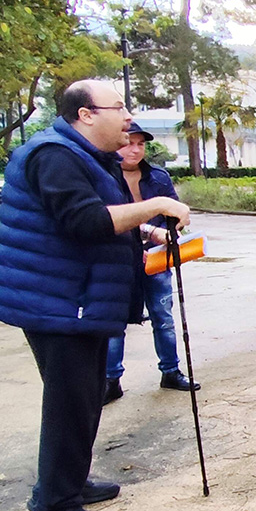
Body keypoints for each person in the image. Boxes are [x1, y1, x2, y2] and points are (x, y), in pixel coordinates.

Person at [0, 80, 191, 511]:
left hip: (75, 299)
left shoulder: (81, 156)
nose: (128, 117)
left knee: (83, 398)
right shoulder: (54, 155)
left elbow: (99, 215)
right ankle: (53, 510)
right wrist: (160, 203)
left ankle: (68, 482)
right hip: (60, 301)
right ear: (86, 114)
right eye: (119, 106)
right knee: (70, 402)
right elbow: (85, 221)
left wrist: (145, 232)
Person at [103, 122, 200, 405]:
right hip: (120, 258)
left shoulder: (157, 177)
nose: (134, 149)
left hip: (157, 258)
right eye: (128, 143)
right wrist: (148, 230)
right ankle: (111, 379)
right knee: (115, 321)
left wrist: (174, 231)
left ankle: (170, 370)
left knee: (164, 317)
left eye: (140, 144)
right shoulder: (103, 176)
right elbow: (105, 217)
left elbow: (173, 212)